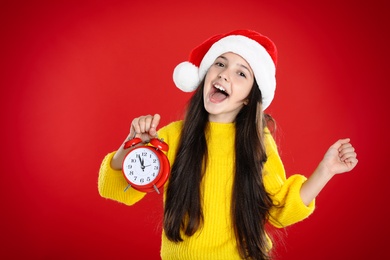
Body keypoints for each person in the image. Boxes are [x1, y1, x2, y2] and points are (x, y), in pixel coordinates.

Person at [98, 29, 358, 260]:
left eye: (241, 73)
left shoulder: (258, 143)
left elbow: (280, 211)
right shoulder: (174, 135)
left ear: (248, 98)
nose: (224, 74)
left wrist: (326, 170)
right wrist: (130, 146)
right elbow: (114, 189)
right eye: (219, 64)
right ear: (204, 76)